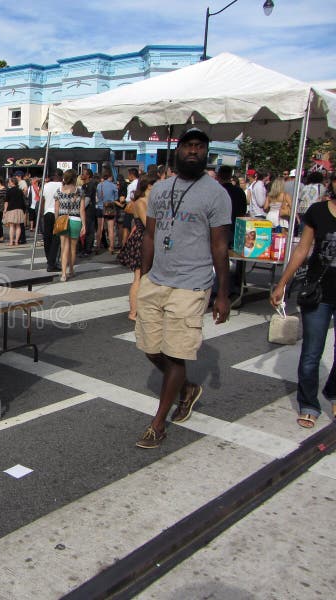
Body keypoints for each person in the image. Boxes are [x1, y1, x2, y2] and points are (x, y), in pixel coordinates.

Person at [135, 128, 231, 449]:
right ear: (178, 151)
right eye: (188, 146)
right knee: (150, 347)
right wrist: (143, 276)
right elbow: (150, 235)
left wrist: (222, 294)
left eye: (199, 147)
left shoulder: (217, 195)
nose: (193, 151)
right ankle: (187, 389)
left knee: (176, 355)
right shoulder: (161, 190)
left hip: (192, 284)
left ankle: (158, 423)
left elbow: (220, 247)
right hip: (157, 279)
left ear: (206, 153)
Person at [270, 183, 336, 429]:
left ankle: (333, 391)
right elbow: (302, 250)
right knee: (311, 353)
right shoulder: (317, 212)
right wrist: (282, 284)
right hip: (318, 293)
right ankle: (309, 404)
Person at [118, 175, 156, 320]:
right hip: (142, 240)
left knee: (144, 276)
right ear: (149, 186)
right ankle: (133, 311)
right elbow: (148, 224)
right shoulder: (141, 202)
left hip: (144, 238)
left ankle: (140, 308)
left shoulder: (148, 201)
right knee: (139, 277)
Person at [54, 170, 86, 281]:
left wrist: (56, 221)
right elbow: (82, 210)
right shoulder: (80, 191)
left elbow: (56, 209)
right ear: (74, 178)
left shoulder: (59, 191)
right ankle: (71, 269)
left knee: (64, 248)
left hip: (62, 219)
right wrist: (84, 225)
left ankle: (63, 274)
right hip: (76, 220)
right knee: (73, 248)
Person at [96, 168, 119, 254]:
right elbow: (116, 198)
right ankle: (111, 247)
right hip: (110, 208)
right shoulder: (113, 185)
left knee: (99, 228)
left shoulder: (99, 185)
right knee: (110, 229)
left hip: (100, 207)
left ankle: (97, 246)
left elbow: (98, 196)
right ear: (110, 176)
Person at [3, 176, 27, 246]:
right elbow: (23, 201)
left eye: (9, 182)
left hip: (11, 209)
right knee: (18, 226)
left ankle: (11, 242)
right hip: (19, 209)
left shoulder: (9, 191)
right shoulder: (20, 190)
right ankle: (16, 241)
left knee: (12, 226)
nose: (8, 183)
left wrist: (5, 210)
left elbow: (6, 201)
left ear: (12, 183)